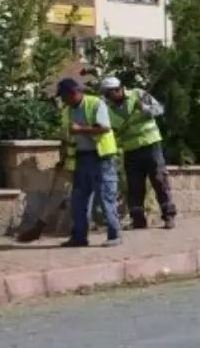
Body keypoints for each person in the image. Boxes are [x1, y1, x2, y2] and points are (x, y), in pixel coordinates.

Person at [100, 76, 178, 230]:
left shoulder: (138, 94)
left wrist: (146, 109)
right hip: (130, 150)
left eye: (112, 92)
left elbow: (159, 110)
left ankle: (169, 216)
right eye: (108, 94)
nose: (111, 96)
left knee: (159, 180)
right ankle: (138, 220)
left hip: (150, 145)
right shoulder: (108, 109)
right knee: (134, 186)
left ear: (119, 88)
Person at [56, 77, 122, 247]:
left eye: (64, 97)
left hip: (101, 157)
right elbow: (67, 137)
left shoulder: (96, 104)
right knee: (79, 199)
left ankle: (114, 235)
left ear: (73, 93)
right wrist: (62, 158)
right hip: (82, 158)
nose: (63, 101)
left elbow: (105, 127)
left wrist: (80, 129)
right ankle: (79, 236)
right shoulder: (68, 111)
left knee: (105, 196)